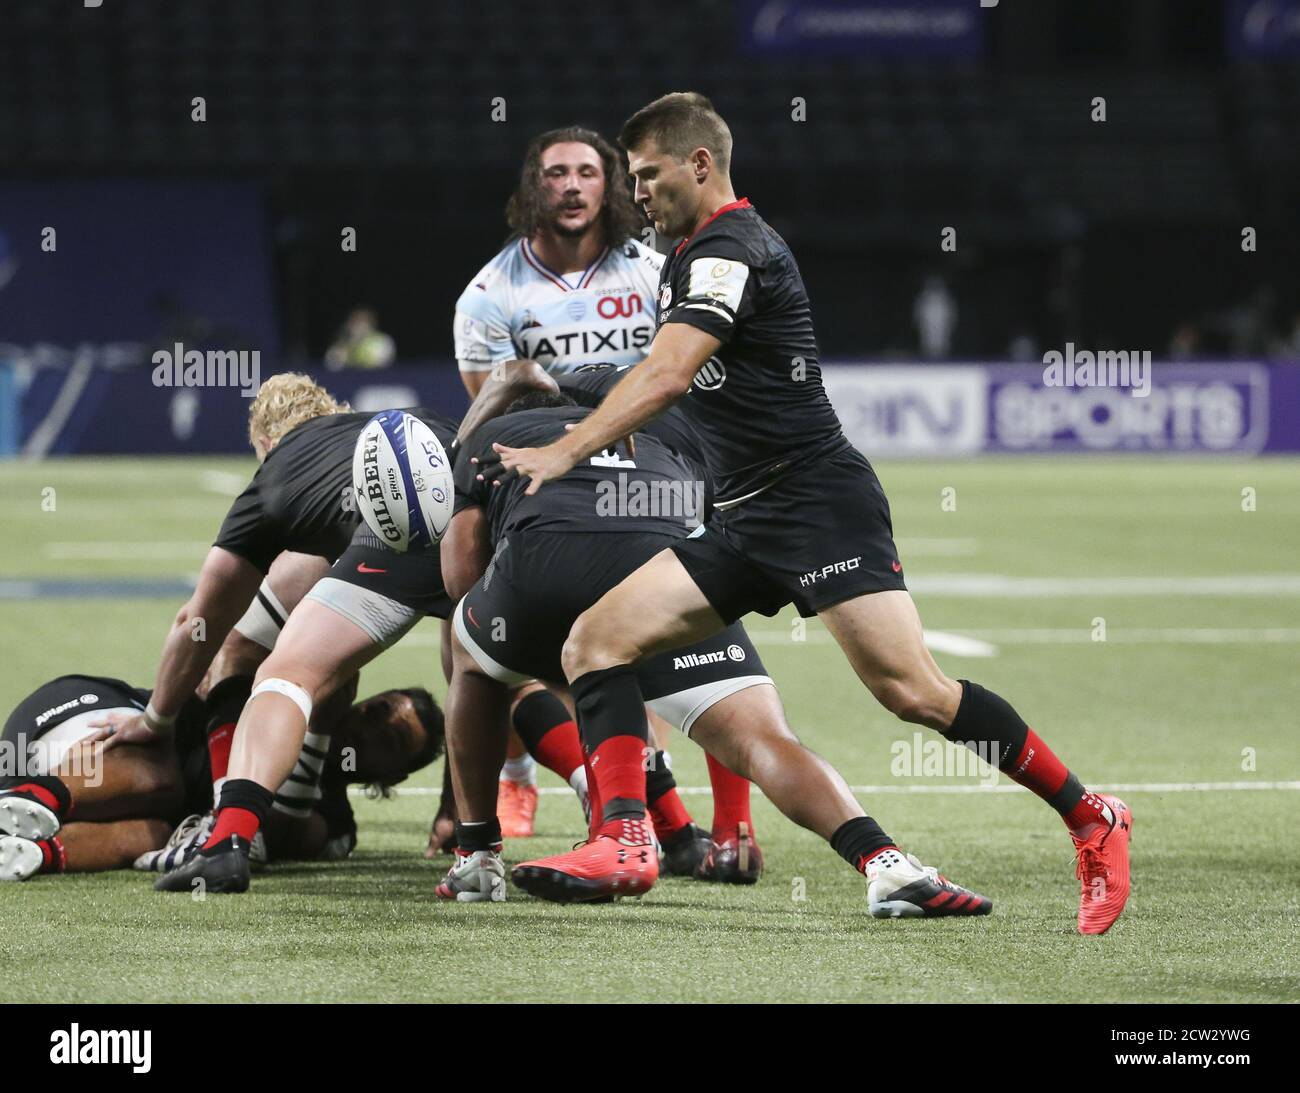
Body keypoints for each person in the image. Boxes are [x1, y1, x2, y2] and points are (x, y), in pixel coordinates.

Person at [485, 93, 1132, 935]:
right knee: (594, 642)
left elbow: (670, 374)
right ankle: (624, 838)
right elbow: (659, 374)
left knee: (914, 692)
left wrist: (564, 449)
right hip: (742, 519)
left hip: (816, 501)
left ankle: (1091, 816)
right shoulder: (682, 253)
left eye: (646, 176)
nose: (635, 192)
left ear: (699, 164)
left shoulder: (731, 247)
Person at [436, 393, 989, 914]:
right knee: (763, 739)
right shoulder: (657, 434)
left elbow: (461, 573)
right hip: (671, 577)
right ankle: (885, 862)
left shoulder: (494, 436)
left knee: (469, 654)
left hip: (548, 569)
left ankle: (480, 858)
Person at [452, 126, 682, 832]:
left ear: (610, 184)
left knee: (651, 646)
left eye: (588, 171)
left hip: (645, 476)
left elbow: (681, 373)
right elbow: (488, 419)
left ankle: (635, 801)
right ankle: (512, 776)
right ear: (534, 188)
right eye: (556, 173)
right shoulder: (490, 294)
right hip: (541, 487)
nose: (573, 185)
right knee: (481, 635)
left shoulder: (652, 271)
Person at [0, 670, 442, 881]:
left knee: (159, 833)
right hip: (82, 723)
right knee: (164, 777)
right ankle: (31, 799)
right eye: (381, 708)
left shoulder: (335, 823)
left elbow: (280, 830)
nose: (373, 726)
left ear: (393, 778)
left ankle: (32, 852)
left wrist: (320, 735)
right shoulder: (278, 699)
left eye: (392, 741)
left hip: (104, 801)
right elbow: (222, 668)